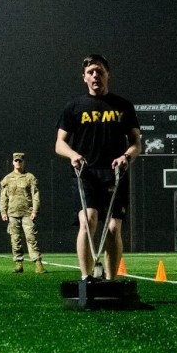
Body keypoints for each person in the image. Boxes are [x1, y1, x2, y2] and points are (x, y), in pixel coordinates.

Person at [55, 54, 141, 280]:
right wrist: (73, 155)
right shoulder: (73, 107)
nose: (96, 76)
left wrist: (126, 157)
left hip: (115, 173)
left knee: (113, 228)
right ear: (84, 77)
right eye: (91, 72)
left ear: (107, 75)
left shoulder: (123, 106)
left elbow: (136, 143)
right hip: (86, 173)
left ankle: (111, 280)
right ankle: (86, 278)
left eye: (100, 71)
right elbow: (59, 144)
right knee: (88, 220)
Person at [0, 152, 45, 274]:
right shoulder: (7, 179)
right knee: (15, 239)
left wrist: (35, 210)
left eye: (20, 161)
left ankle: (38, 262)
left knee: (31, 237)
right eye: (16, 161)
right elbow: (3, 197)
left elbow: (36, 195)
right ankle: (18, 263)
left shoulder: (30, 177)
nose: (18, 163)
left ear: (24, 162)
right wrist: (3, 211)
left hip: (27, 213)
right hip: (12, 212)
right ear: (13, 162)